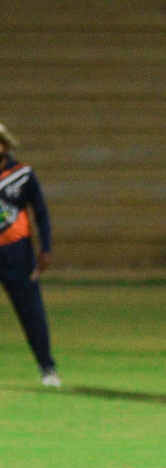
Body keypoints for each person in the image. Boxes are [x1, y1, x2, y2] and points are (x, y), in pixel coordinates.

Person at [0, 122, 60, 387]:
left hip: (17, 254)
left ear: (4, 146)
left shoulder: (22, 174)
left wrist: (45, 249)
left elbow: (41, 213)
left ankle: (47, 367)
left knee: (31, 313)